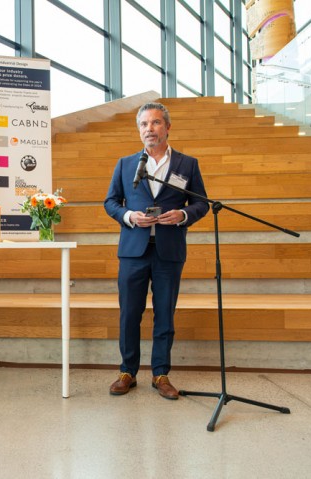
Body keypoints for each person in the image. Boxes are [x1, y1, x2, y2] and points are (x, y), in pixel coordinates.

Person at [103, 102, 209, 400]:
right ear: (139, 130)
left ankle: (161, 374)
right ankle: (127, 372)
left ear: (167, 127)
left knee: (165, 314)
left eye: (155, 123)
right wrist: (129, 217)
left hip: (168, 250)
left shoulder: (187, 164)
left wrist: (183, 215)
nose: (149, 129)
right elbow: (110, 202)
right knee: (129, 315)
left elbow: (201, 203)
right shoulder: (126, 164)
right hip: (133, 251)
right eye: (144, 124)